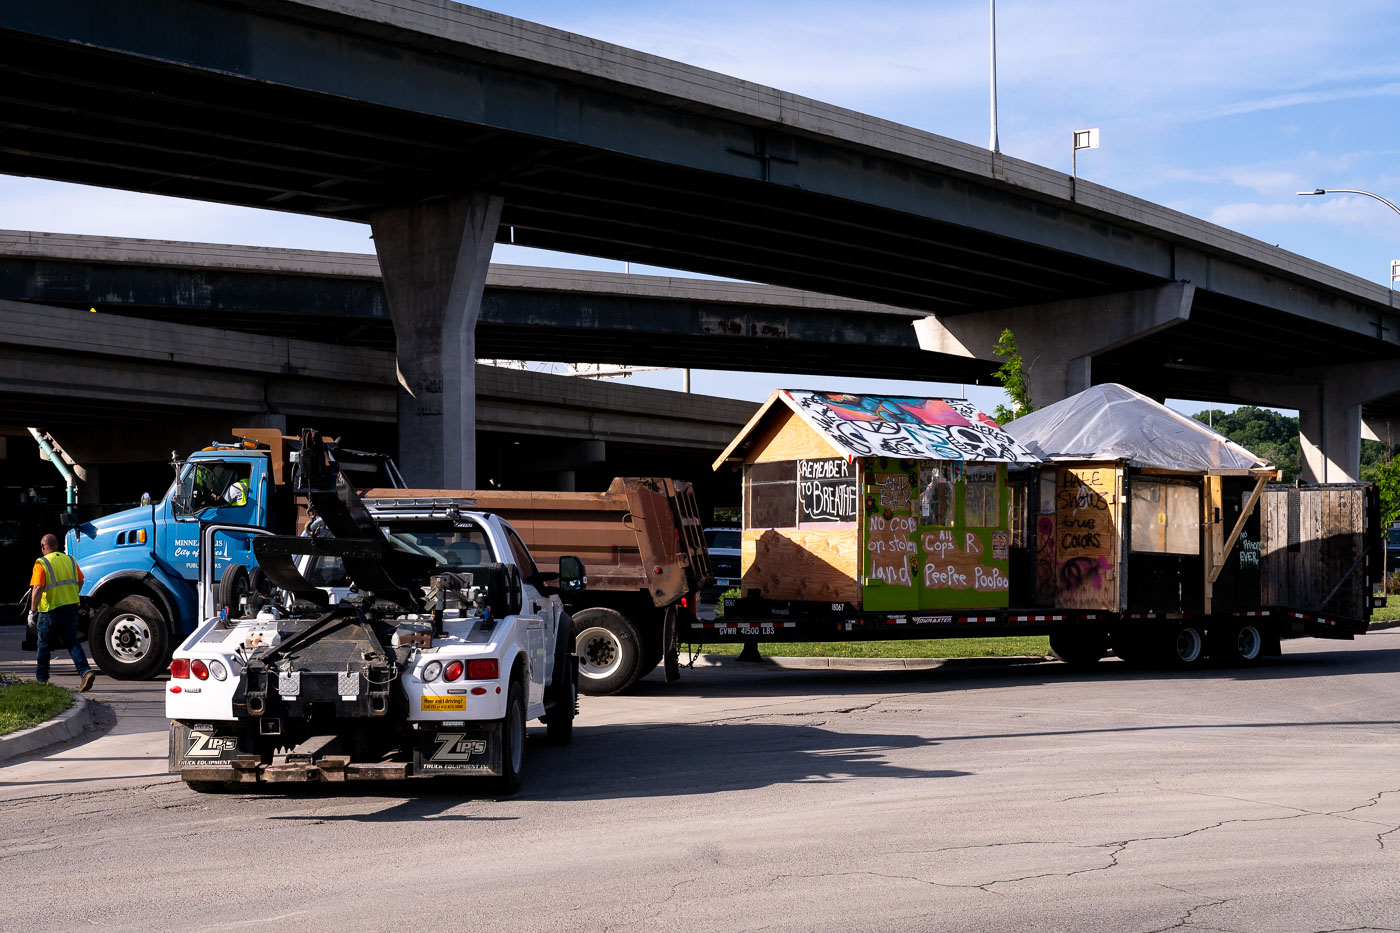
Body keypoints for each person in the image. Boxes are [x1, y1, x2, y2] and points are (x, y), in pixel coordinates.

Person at [28, 533, 95, 692]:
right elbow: (80, 581)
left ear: (43, 547)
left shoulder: (42, 562)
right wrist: (71, 595)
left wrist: (32, 611)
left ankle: (42, 681)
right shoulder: (70, 560)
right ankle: (85, 671)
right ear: (57, 545)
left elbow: (37, 588)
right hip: (70, 607)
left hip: (50, 610)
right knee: (71, 641)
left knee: (43, 644)